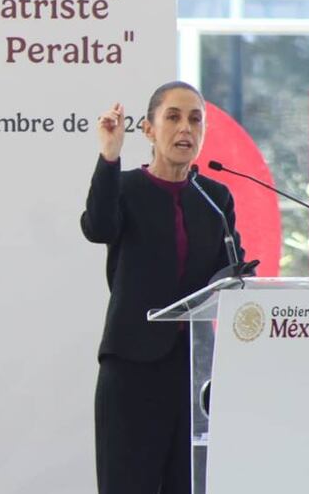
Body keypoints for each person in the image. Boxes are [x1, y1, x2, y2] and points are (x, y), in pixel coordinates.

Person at [81, 81, 242, 494]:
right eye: (172, 117)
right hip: (132, 368)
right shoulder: (126, 189)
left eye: (195, 119)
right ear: (149, 130)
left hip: (194, 375)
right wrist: (109, 157)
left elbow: (232, 274)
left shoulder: (215, 197)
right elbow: (97, 228)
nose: (185, 128)